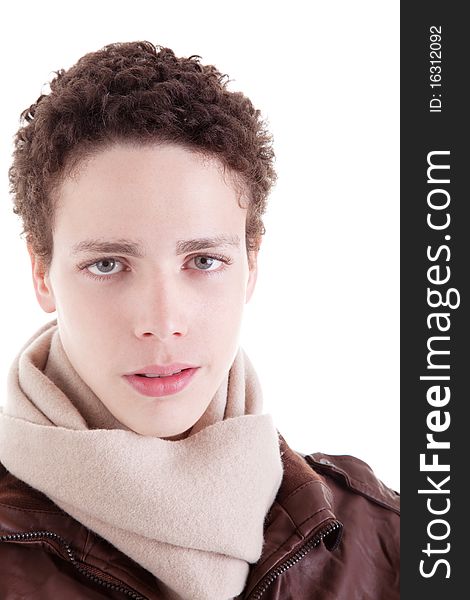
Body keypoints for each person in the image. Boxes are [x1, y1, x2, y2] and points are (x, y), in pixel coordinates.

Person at [0, 41, 399, 599]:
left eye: (203, 261)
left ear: (251, 267)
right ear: (42, 274)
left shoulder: (391, 538)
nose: (162, 322)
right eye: (108, 264)